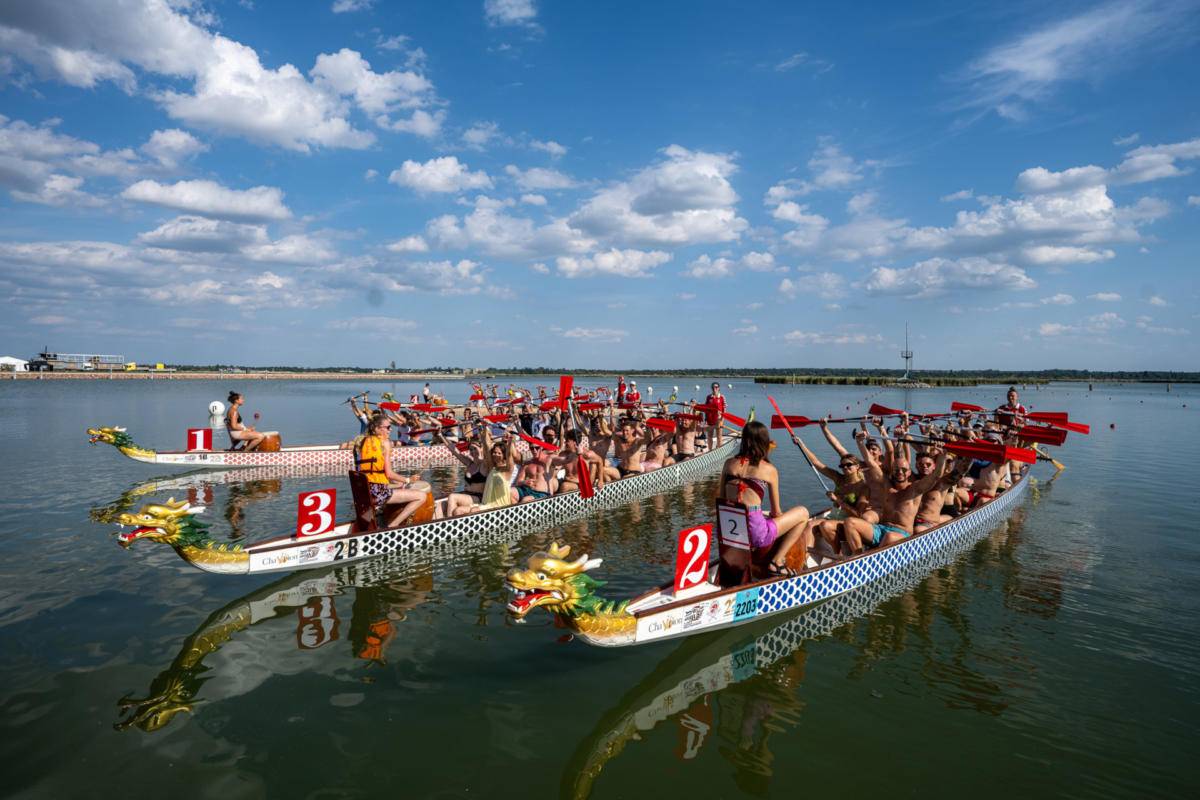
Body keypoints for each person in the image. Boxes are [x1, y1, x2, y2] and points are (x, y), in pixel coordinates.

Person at [720, 421, 810, 577]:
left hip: (729, 532)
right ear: (764, 442)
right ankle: (777, 561)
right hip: (755, 536)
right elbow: (776, 512)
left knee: (763, 517)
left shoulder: (728, 464)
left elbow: (721, 498)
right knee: (803, 513)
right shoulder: (769, 470)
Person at [842, 442, 948, 552]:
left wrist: (942, 456)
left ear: (909, 473)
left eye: (903, 470)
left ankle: (873, 556)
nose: (900, 472)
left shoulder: (915, 489)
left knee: (890, 536)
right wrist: (860, 442)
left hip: (902, 533)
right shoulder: (886, 485)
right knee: (850, 522)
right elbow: (870, 463)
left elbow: (936, 476)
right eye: (896, 469)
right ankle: (858, 556)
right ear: (892, 471)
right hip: (881, 529)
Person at [352, 414, 429, 527]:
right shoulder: (385, 443)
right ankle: (393, 526)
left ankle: (365, 523)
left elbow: (370, 472)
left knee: (398, 485)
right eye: (388, 427)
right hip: (377, 492)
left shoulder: (360, 442)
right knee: (421, 496)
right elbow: (389, 473)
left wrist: (398, 483)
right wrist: (408, 479)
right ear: (377, 429)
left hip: (363, 490)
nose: (391, 429)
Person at [703, 382, 726, 450]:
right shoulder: (708, 397)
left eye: (716, 387)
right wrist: (706, 419)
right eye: (713, 387)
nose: (714, 388)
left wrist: (722, 420)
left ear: (718, 388)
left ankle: (719, 449)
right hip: (710, 420)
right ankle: (710, 450)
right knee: (710, 436)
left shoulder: (722, 397)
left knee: (719, 436)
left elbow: (724, 410)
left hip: (718, 420)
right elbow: (706, 409)